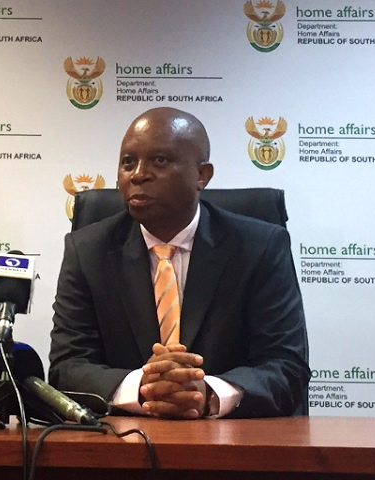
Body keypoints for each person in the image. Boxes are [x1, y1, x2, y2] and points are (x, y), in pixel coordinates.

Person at [49, 107, 309, 419]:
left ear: (202, 175)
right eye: (128, 162)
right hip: (121, 445)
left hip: (233, 445)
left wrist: (207, 393)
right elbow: (67, 366)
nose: (138, 174)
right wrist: (143, 386)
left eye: (159, 160)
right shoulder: (88, 250)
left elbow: (286, 366)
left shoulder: (260, 247)